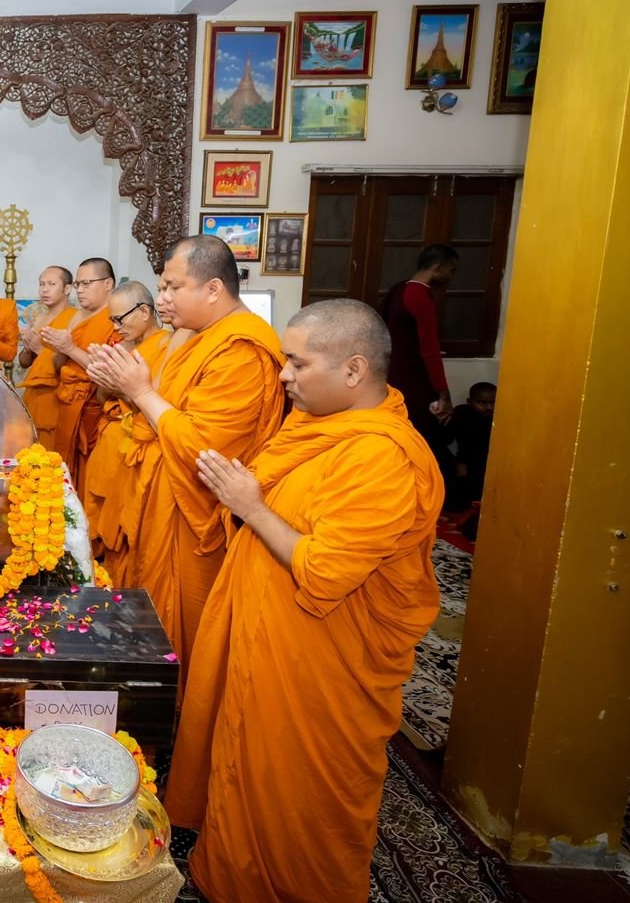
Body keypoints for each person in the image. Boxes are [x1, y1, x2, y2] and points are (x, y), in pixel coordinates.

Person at [164, 299, 442, 903]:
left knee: (299, 791)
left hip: (320, 669)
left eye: (296, 362)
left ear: (353, 370)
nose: (283, 375)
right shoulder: (318, 426)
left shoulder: (383, 458)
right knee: (245, 767)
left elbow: (324, 570)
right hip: (269, 638)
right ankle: (228, 875)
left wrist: (251, 506)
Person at [88, 236, 284, 672]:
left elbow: (203, 447)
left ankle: (175, 709)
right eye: (162, 288)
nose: (162, 299)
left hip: (192, 513)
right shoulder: (198, 338)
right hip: (159, 493)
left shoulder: (241, 350)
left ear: (213, 289)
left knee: (181, 632)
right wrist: (129, 387)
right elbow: (166, 408)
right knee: (147, 617)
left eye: (173, 287)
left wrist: (138, 391)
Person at [81, 282, 173, 557]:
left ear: (144, 311)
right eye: (112, 320)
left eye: (119, 319)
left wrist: (124, 387)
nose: (116, 327)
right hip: (109, 444)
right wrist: (105, 380)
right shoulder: (121, 347)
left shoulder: (168, 347)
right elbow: (101, 400)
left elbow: (157, 408)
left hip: (135, 450)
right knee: (98, 519)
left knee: (123, 533)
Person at [38, 257, 118, 494]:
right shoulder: (77, 316)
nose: (80, 290)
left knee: (86, 476)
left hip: (91, 407)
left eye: (86, 284)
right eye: (79, 284)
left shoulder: (115, 319)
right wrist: (61, 348)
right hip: (66, 403)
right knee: (63, 471)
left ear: (108, 284)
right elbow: (57, 365)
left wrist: (70, 348)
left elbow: (108, 373)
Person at [380, 244, 459, 473]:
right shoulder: (419, 296)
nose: (449, 277)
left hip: (390, 378)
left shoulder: (399, 289)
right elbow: (430, 350)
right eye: (450, 271)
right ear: (437, 267)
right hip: (413, 383)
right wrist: (444, 395)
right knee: (424, 442)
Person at [19, 266, 76, 451]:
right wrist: (28, 348)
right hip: (33, 396)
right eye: (42, 284)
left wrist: (38, 348)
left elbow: (69, 361)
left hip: (55, 397)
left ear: (67, 289)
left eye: (51, 284)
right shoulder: (40, 317)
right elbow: (24, 362)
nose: (45, 289)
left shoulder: (74, 318)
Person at [445, 381, 496, 531]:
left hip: (490, 461)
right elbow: (446, 439)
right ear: (470, 401)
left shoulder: (499, 417)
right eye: (482, 402)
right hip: (466, 462)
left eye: (492, 402)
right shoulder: (463, 415)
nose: (488, 407)